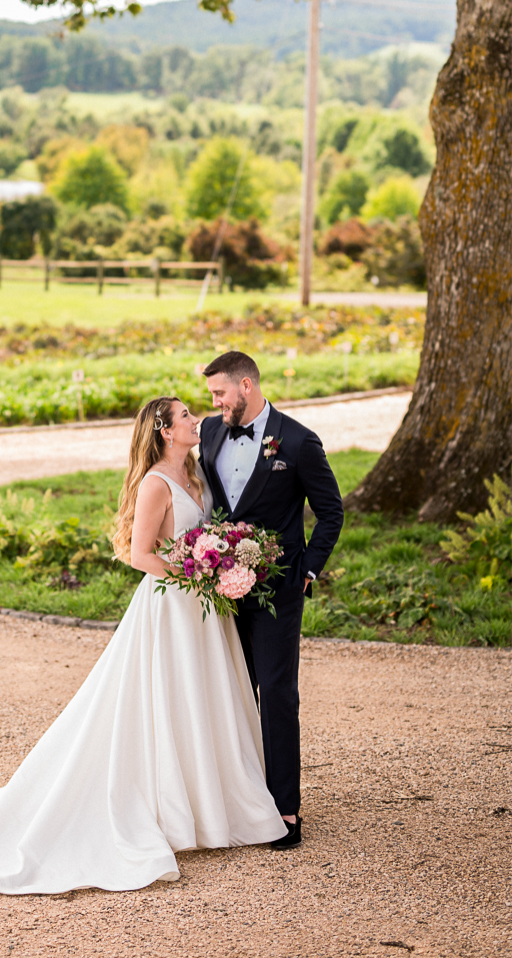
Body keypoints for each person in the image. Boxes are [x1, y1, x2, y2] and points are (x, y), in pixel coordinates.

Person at [0, 396, 287, 894]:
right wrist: (198, 573)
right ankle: (168, 810)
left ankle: (215, 804)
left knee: (202, 699)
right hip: (172, 607)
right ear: (164, 430)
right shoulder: (155, 483)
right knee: (165, 699)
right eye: (184, 416)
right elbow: (141, 555)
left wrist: (220, 565)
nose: (194, 420)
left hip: (203, 610)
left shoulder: (197, 474)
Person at [198, 350, 344, 849]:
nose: (214, 403)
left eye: (220, 393)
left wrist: (307, 571)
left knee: (276, 694)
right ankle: (237, 801)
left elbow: (331, 513)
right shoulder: (211, 433)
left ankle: (285, 808)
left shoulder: (300, 442)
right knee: (227, 690)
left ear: (246, 386)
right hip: (220, 590)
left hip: (278, 592)